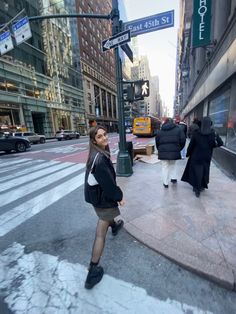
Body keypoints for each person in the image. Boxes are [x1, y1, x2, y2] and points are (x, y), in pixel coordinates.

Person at [84, 125, 124, 289]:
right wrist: (119, 197)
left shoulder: (97, 153)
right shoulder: (99, 159)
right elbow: (108, 185)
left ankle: (114, 226)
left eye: (105, 134)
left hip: (96, 197)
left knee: (107, 219)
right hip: (102, 199)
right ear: (94, 140)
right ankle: (93, 271)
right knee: (100, 233)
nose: (104, 138)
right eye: (99, 137)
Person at [181, 116, 223, 197]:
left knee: (195, 171)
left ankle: (196, 188)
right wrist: (212, 145)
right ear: (210, 124)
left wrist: (188, 154)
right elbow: (220, 143)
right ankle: (201, 186)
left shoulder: (196, 133)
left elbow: (191, 145)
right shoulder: (213, 133)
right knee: (204, 171)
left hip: (195, 156)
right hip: (206, 156)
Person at [155, 117, 186, 188]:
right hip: (174, 151)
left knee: (164, 167)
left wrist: (160, 150)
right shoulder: (178, 129)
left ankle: (165, 183)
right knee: (173, 165)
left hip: (163, 151)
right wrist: (179, 148)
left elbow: (157, 142)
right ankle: (173, 178)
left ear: (165, 122)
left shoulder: (160, 131)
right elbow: (183, 140)